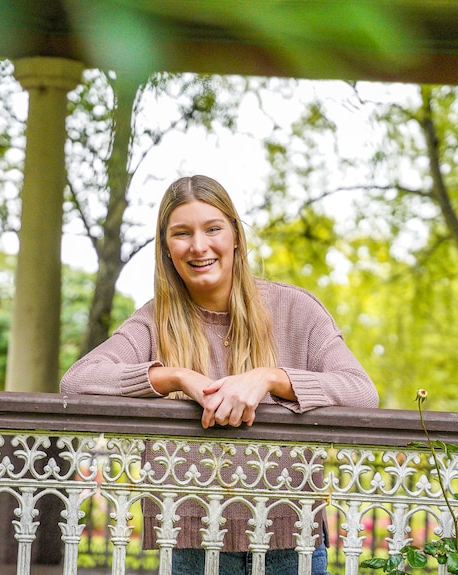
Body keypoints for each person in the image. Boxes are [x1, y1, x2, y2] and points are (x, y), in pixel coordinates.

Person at [61, 174, 379, 575]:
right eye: (181, 233)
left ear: (235, 238)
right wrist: (175, 377)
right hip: (191, 543)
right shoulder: (154, 320)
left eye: (213, 229)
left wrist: (270, 378)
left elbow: (362, 391)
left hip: (290, 537)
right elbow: (78, 379)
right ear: (166, 249)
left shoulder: (296, 309)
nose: (199, 246)